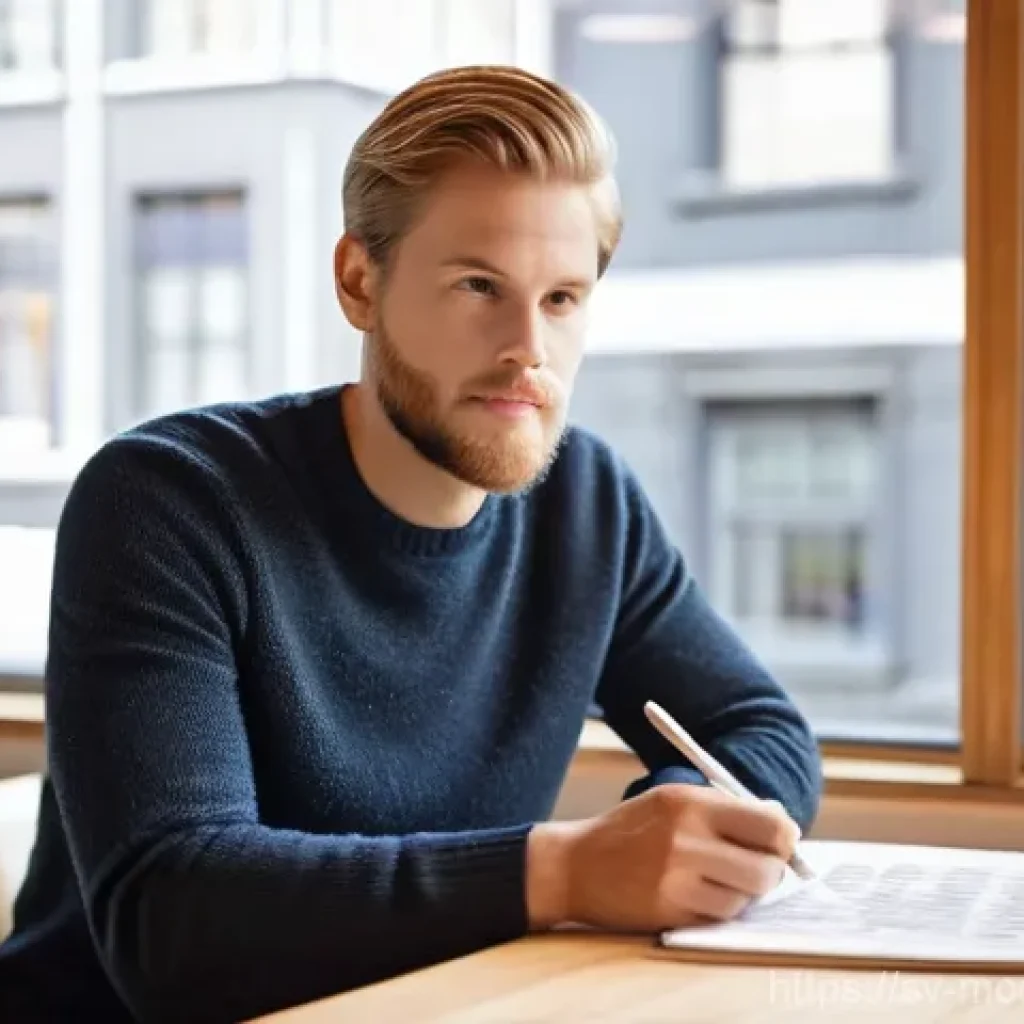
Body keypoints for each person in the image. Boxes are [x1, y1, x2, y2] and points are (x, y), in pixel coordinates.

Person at [0, 65, 822, 1023]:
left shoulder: (586, 503)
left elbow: (763, 734)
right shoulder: (168, 501)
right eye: (480, 286)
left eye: (562, 299)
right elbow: (172, 921)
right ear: (360, 281)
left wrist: (672, 831)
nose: (528, 349)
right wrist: (564, 871)